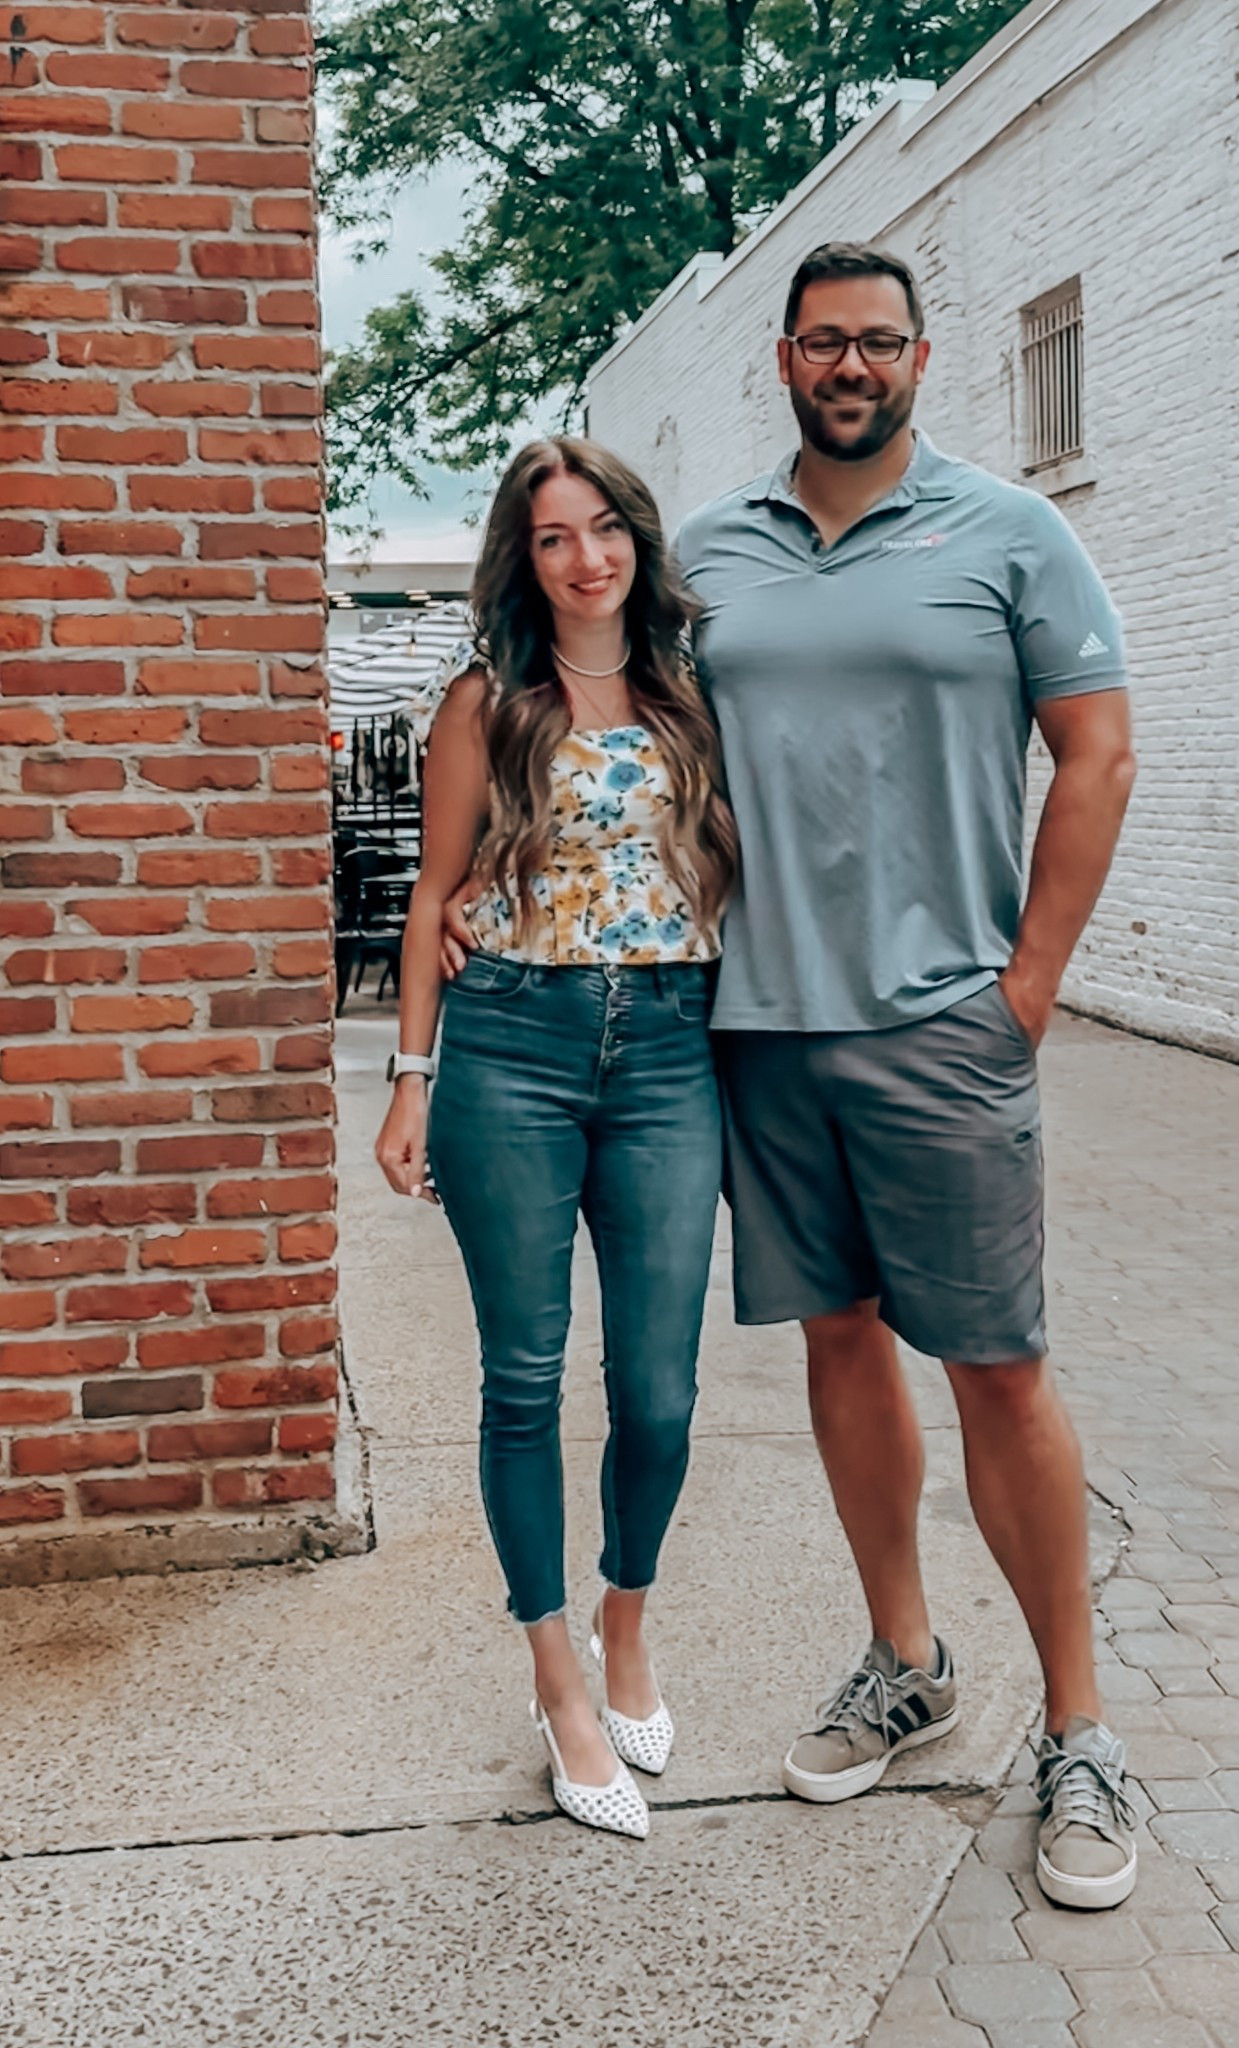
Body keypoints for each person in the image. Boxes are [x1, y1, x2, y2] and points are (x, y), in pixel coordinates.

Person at [673, 241, 1140, 1910]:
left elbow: (1098, 751)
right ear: (785, 360)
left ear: (923, 361)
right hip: (760, 1028)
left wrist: (1025, 991)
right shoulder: (707, 552)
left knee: (999, 1367)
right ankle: (905, 1659)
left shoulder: (1013, 535)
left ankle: (1080, 1729)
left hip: (947, 1027)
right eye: (822, 341)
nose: (849, 365)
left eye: (878, 341)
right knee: (840, 1343)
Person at [377, 436, 736, 1841]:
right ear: (520, 562)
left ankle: (624, 1621)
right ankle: (557, 1679)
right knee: (523, 1380)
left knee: (657, 1387)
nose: (584, 558)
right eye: (551, 538)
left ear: (637, 542)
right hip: (514, 1047)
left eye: (603, 531)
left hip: (668, 1051)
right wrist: (411, 1080)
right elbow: (431, 895)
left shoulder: (694, 698)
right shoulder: (488, 701)